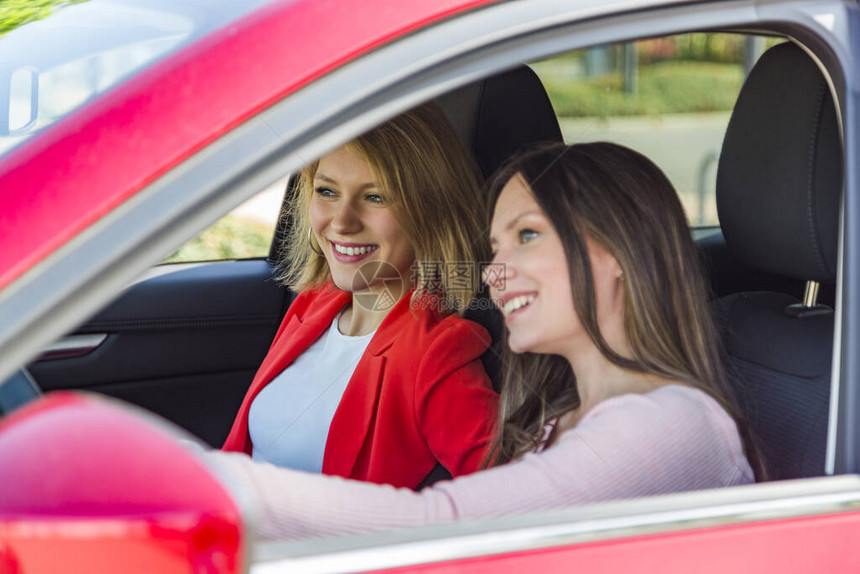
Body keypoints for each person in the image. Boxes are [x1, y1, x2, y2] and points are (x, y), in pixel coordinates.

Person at [209, 141, 759, 541]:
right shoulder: (557, 421)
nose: (495, 272)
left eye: (527, 235)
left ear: (617, 251)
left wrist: (204, 481)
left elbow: (447, 527)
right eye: (496, 247)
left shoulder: (668, 424)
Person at [221, 103, 498, 490]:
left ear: (430, 210)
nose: (342, 222)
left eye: (376, 197)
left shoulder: (436, 356)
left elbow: (511, 498)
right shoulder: (313, 304)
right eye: (328, 191)